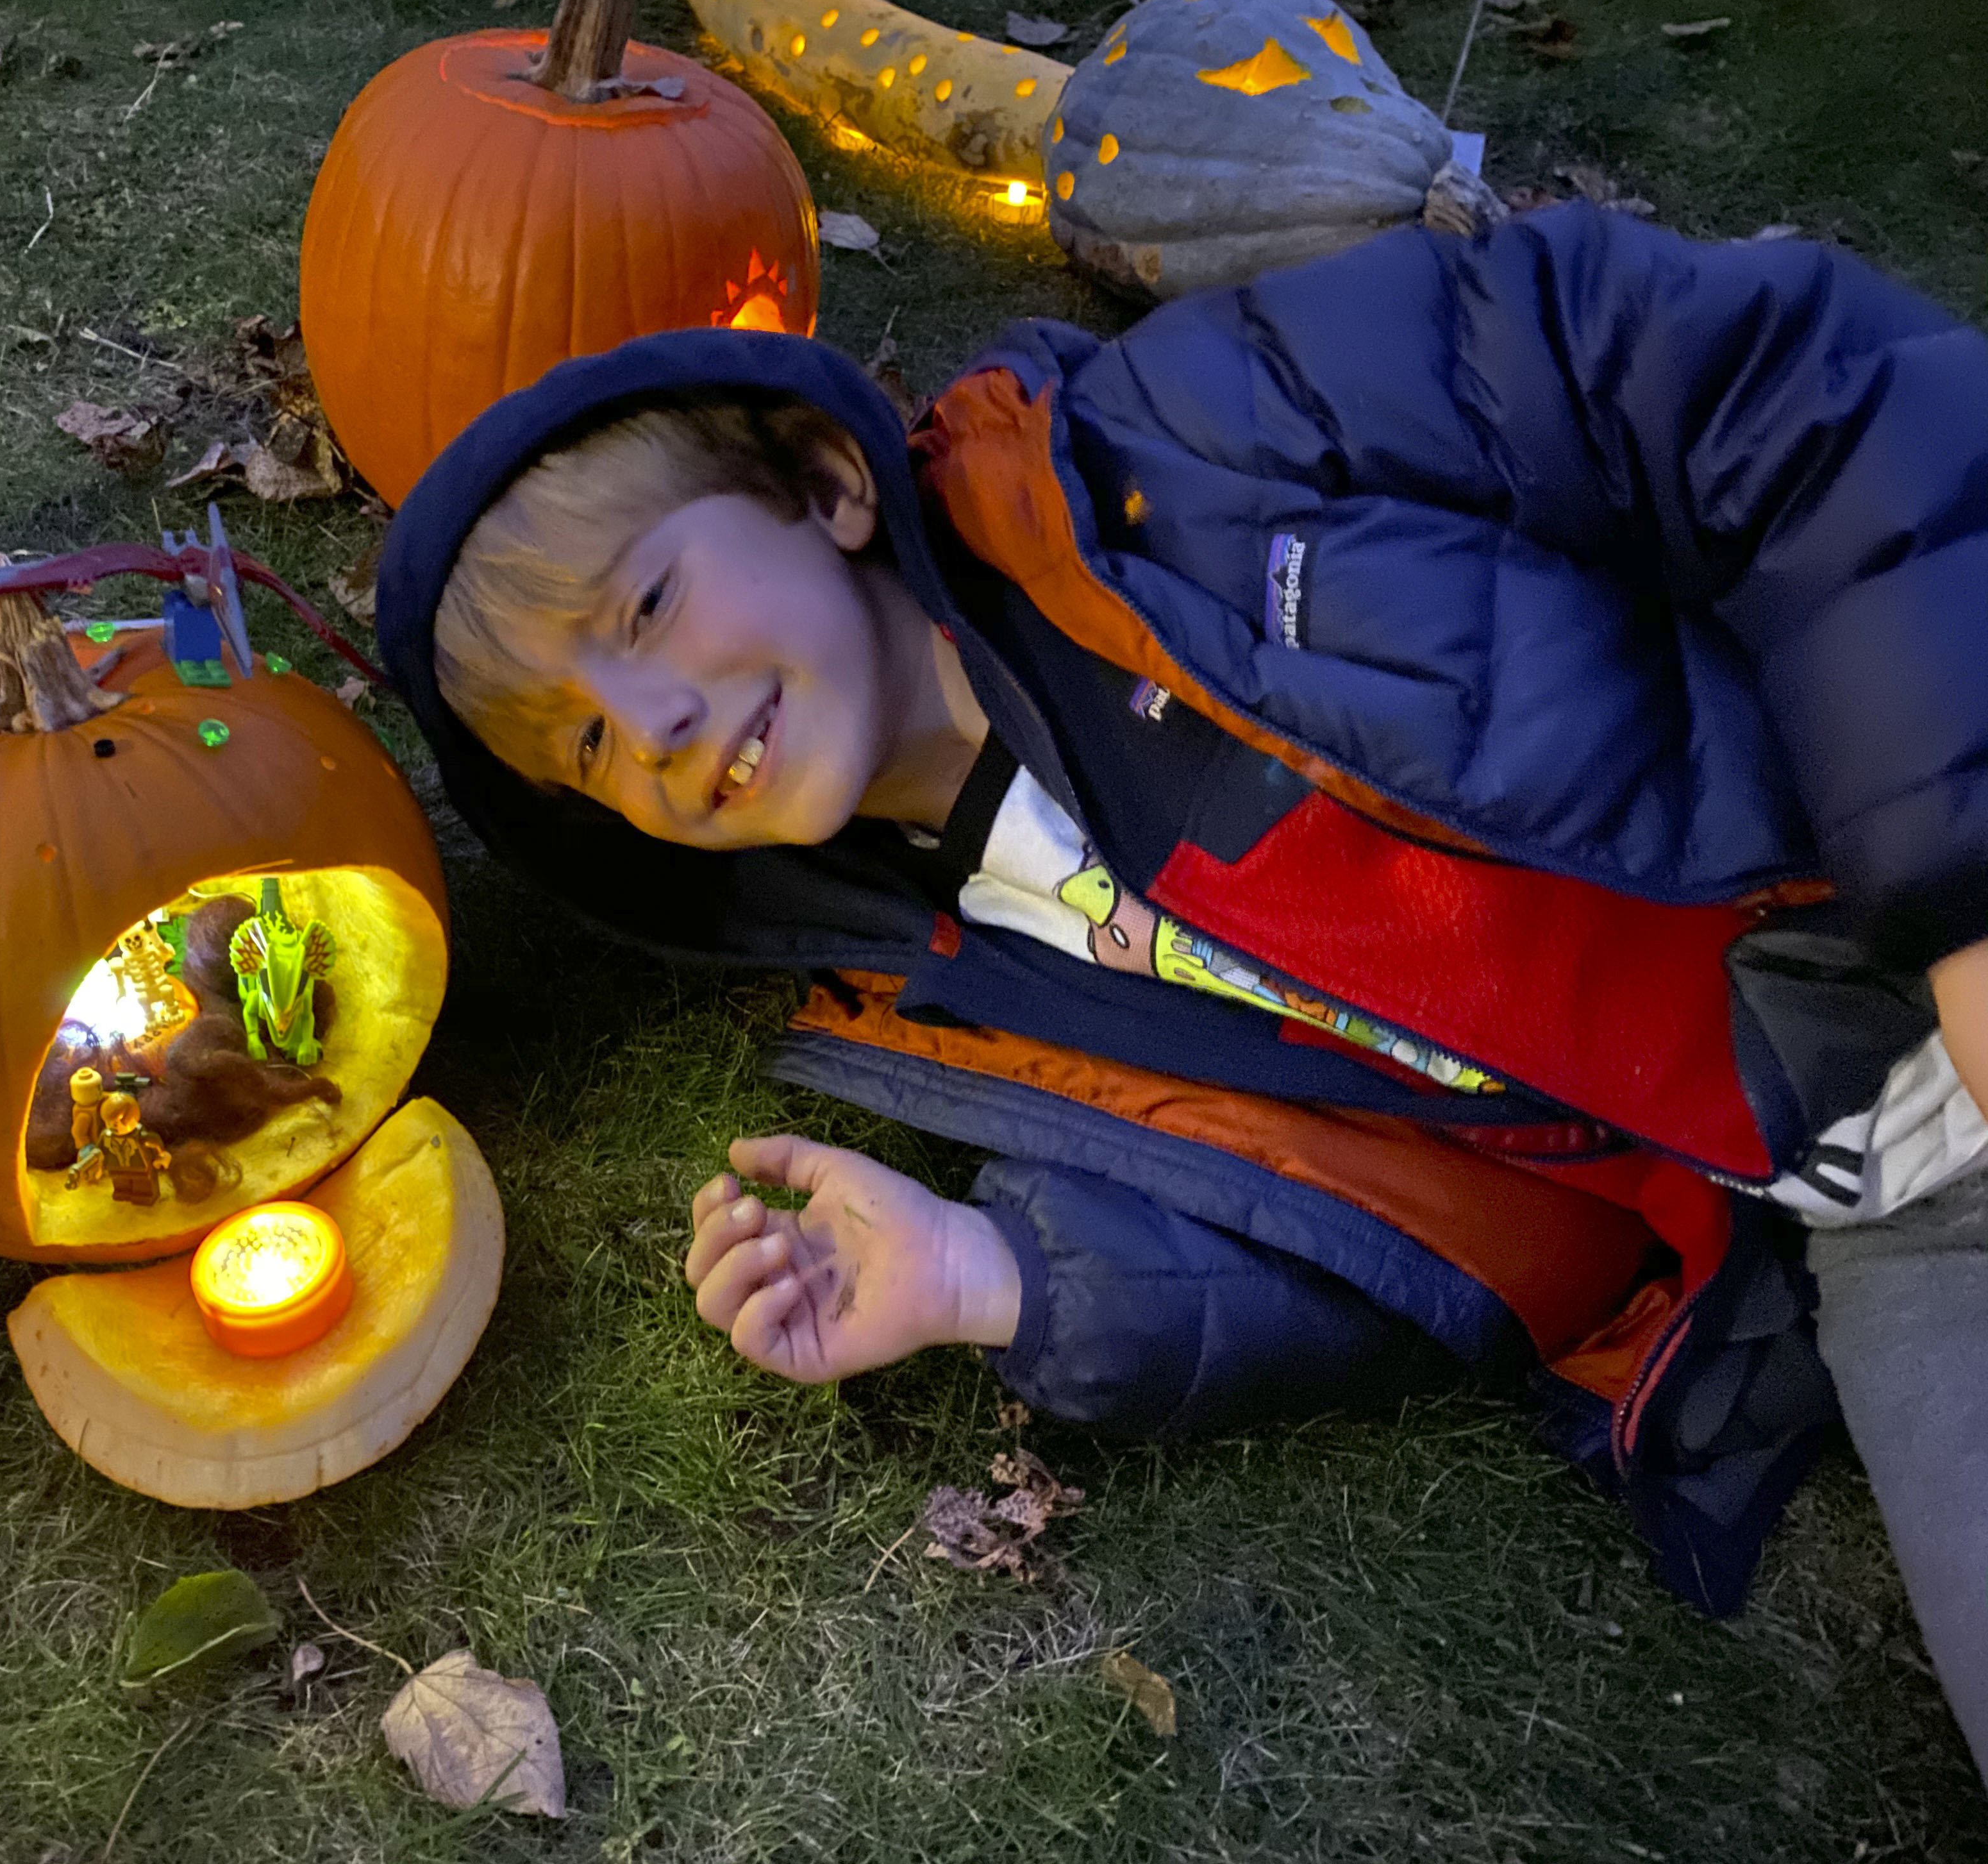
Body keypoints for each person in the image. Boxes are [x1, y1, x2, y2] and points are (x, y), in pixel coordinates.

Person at [371, 204, 1988, 1768]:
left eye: (648, 603)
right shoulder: (941, 997)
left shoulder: (1189, 448)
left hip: (1909, 928)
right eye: (585, 744)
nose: (649, 722)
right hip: (1895, 1221)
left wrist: (1960, 882)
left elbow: (1765, 375)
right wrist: (992, 1272)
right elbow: (1426, 1237)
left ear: (821, 480)